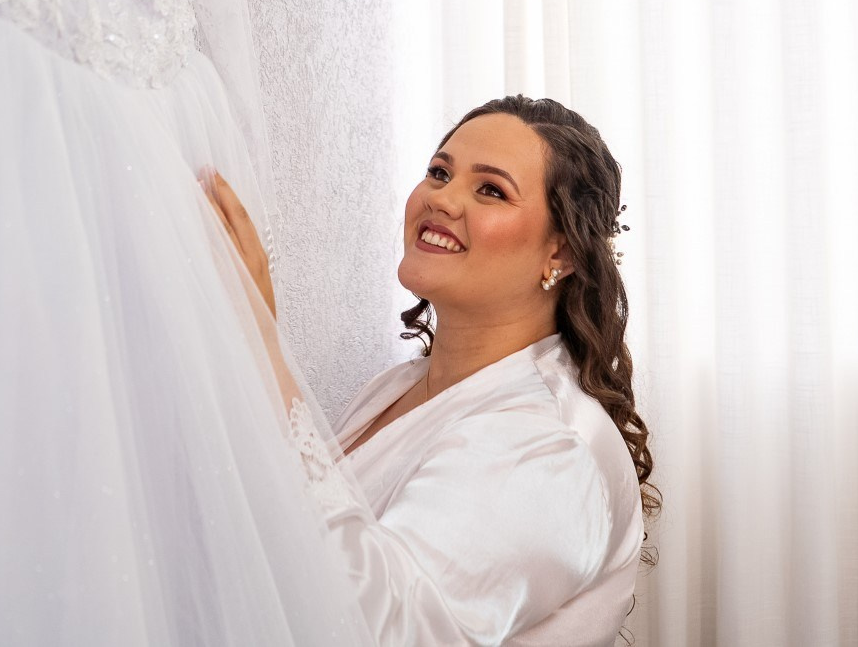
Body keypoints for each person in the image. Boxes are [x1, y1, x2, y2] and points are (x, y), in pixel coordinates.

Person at [203, 94, 661, 646]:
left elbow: (384, 630)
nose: (442, 199)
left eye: (490, 189)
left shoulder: (549, 446)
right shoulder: (397, 386)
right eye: (439, 172)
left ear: (560, 253)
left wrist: (260, 346)